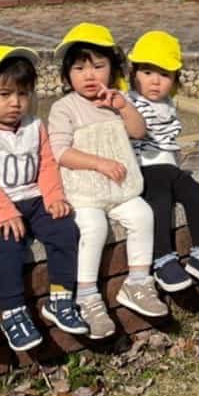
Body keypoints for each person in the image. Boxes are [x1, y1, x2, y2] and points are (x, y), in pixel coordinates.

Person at [0, 46, 89, 351]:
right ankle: (13, 312)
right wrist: (4, 212)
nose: (15, 103)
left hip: (31, 196)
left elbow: (46, 163)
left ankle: (60, 299)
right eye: (5, 94)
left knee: (64, 228)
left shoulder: (35, 125)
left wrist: (54, 196)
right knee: (6, 244)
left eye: (23, 94)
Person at [47, 23, 167, 335]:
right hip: (84, 192)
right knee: (94, 226)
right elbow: (61, 152)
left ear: (113, 70)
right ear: (67, 75)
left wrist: (123, 107)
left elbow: (139, 131)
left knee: (142, 214)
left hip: (119, 190)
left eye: (98, 67)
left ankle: (138, 282)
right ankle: (87, 295)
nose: (90, 75)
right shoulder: (64, 108)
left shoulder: (117, 101)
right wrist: (98, 163)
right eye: (80, 68)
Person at [125, 30, 199, 292]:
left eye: (164, 75)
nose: (155, 82)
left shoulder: (168, 103)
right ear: (134, 73)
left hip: (170, 167)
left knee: (195, 193)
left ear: (175, 80)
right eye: (147, 73)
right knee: (159, 201)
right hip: (145, 168)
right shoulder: (128, 101)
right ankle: (162, 258)